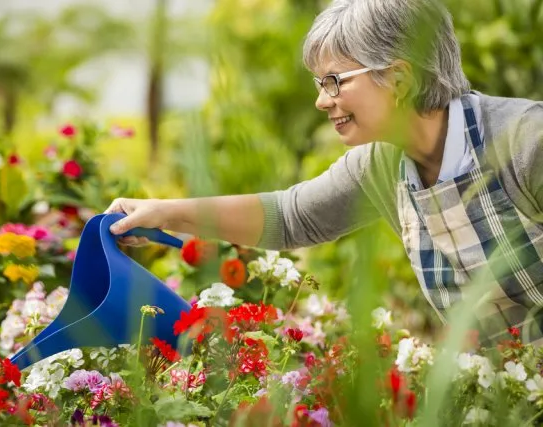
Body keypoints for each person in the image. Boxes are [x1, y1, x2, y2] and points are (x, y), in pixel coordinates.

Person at [104, 0, 543, 345]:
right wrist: (166, 213)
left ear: (400, 79)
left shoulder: (526, 141)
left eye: (334, 81)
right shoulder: (381, 166)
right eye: (319, 84)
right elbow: (292, 217)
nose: (322, 100)